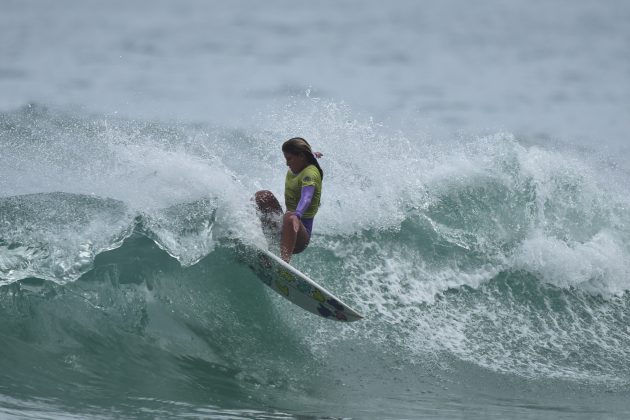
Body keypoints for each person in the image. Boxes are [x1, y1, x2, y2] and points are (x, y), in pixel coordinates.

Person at [255, 137, 323, 263]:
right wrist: (313, 154)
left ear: (301, 157)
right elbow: (307, 156)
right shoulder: (299, 165)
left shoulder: (310, 174)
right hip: (283, 229)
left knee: (290, 216)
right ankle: (255, 240)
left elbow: (306, 197)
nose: (287, 163)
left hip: (299, 237)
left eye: (289, 159)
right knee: (262, 195)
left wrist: (297, 215)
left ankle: (283, 264)